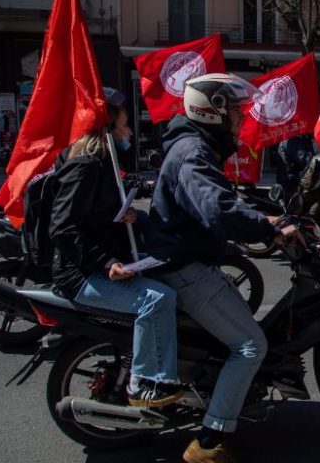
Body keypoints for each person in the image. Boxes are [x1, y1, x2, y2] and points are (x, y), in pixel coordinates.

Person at [146, 73, 301, 463]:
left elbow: (219, 202)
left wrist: (264, 218)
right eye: (234, 109)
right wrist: (269, 230)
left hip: (190, 257)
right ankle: (209, 443)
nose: (241, 117)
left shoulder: (195, 147)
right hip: (185, 266)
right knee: (251, 346)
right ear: (212, 111)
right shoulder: (193, 152)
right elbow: (217, 208)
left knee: (234, 331)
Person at [49, 88, 182, 408]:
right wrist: (108, 261)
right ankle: (145, 383)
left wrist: (125, 217)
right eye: (124, 124)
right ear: (107, 126)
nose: (130, 131)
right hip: (80, 274)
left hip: (103, 264)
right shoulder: (85, 165)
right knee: (158, 300)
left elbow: (95, 217)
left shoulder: (105, 162)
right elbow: (63, 228)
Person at [274, 133, 315, 198]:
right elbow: (306, 160)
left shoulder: (300, 138)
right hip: (291, 183)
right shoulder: (293, 141)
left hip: (294, 180)